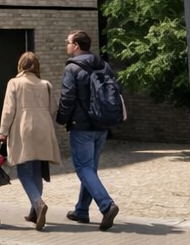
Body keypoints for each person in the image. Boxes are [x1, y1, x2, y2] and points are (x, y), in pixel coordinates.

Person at [56, 30, 121, 230]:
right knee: (89, 168)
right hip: (101, 124)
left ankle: (106, 204)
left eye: (67, 42)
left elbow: (67, 98)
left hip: (81, 126)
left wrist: (61, 119)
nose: (66, 45)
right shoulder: (103, 65)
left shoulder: (72, 68)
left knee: (83, 167)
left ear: (76, 45)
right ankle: (81, 211)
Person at [0, 50, 62, 230]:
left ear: (20, 65)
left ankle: (38, 203)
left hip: (23, 127)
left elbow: (8, 109)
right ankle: (35, 211)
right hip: (43, 127)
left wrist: (3, 131)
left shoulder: (14, 83)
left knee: (24, 172)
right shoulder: (46, 84)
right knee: (36, 170)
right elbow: (53, 108)